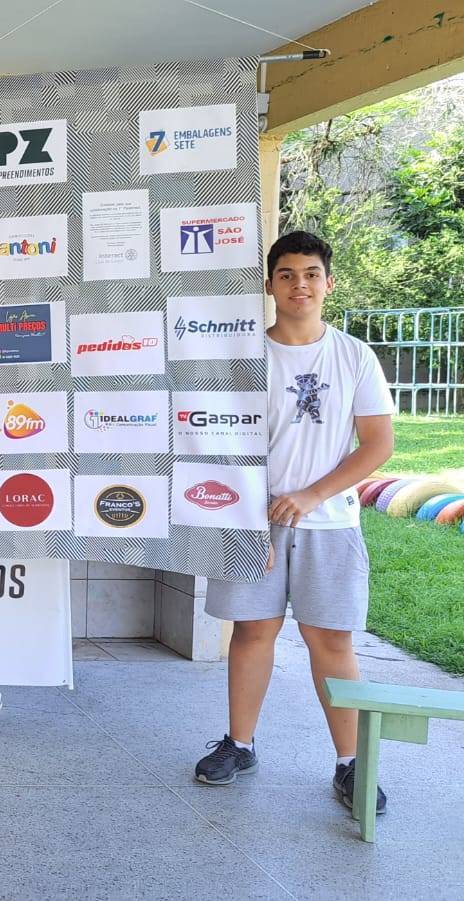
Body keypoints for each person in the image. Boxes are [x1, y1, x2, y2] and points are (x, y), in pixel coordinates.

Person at [194, 231, 395, 817]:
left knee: (330, 640)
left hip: (329, 523)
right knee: (252, 631)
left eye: (310, 274)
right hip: (251, 520)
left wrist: (311, 495)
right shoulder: (246, 358)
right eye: (286, 275)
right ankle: (239, 744)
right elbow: (215, 440)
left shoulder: (354, 356)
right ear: (270, 285)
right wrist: (239, 508)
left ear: (328, 283)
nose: (299, 285)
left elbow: (378, 444)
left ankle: (351, 763)